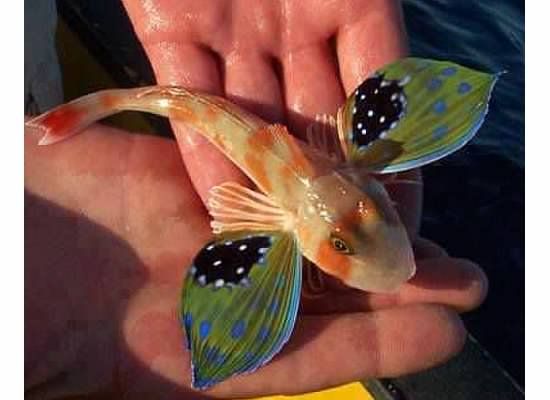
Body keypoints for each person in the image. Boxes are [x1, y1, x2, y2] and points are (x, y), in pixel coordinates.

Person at [25, 1, 488, 398]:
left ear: (370, 189)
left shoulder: (348, 175)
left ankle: (60, 114)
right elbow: (235, 204)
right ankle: (86, 109)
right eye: (340, 247)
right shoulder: (292, 210)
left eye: (379, 206)